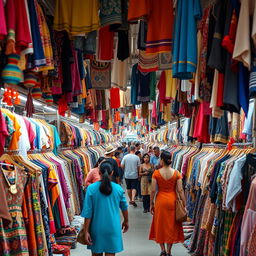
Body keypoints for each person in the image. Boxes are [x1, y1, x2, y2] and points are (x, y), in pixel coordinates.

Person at [82, 161, 129, 256]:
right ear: (112, 173)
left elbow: (88, 212)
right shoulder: (118, 189)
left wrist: (86, 231)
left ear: (99, 172)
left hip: (96, 228)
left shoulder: (91, 189)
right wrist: (126, 221)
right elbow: (124, 207)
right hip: (113, 227)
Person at [149, 151, 185, 256]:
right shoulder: (177, 173)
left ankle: (162, 250)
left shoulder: (156, 173)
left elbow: (152, 190)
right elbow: (180, 190)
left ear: (162, 160)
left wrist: (151, 203)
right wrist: (184, 203)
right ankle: (169, 251)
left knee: (160, 224)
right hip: (172, 201)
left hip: (160, 201)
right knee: (171, 225)